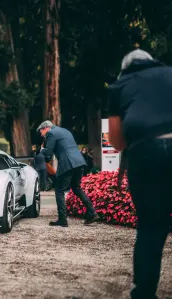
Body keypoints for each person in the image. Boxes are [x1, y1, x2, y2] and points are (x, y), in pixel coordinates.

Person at [108, 49, 172, 299]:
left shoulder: (119, 86)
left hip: (147, 152)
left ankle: (144, 293)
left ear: (125, 68)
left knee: (150, 227)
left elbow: (117, 142)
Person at [37, 120, 98, 227]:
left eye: (41, 132)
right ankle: (92, 213)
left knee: (59, 191)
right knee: (76, 188)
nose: (41, 135)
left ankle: (62, 220)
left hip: (68, 163)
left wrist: (42, 150)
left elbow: (48, 154)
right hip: (79, 162)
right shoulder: (65, 131)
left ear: (45, 128)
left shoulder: (51, 133)